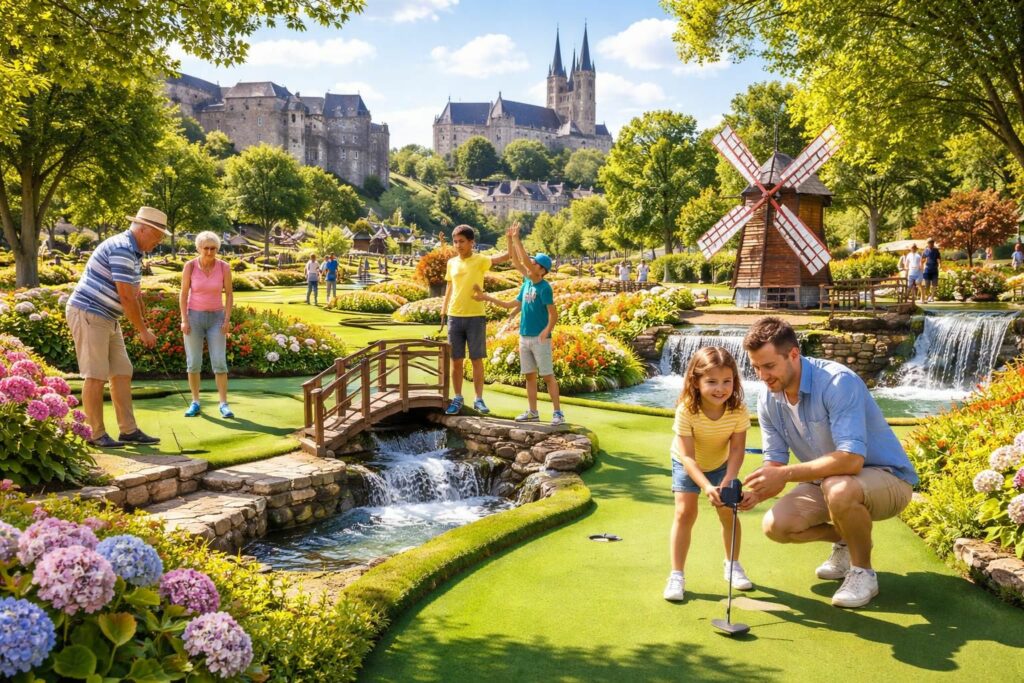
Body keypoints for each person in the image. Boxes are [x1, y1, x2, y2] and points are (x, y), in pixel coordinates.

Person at [739, 317, 918, 609]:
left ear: (794, 354)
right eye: (756, 367)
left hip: (888, 479)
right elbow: (775, 462)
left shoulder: (837, 382)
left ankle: (864, 572)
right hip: (829, 483)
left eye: (769, 366)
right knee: (776, 526)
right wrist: (756, 493)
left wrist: (785, 474)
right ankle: (847, 540)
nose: (762, 375)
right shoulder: (768, 397)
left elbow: (851, 459)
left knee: (838, 487)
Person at [64, 207, 168, 448]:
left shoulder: (135, 252)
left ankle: (128, 430)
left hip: (109, 317)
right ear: (143, 229)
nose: (159, 241)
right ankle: (95, 433)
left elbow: (135, 294)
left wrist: (144, 324)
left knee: (122, 370)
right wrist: (142, 331)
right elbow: (126, 297)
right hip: (89, 312)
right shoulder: (122, 247)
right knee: (95, 374)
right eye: (158, 236)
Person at [663, 346, 752, 602]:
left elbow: (737, 450)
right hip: (687, 464)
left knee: (728, 513)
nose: (720, 388)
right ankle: (677, 575)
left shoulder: (738, 410)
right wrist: (705, 486)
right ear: (696, 380)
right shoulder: (687, 410)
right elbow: (688, 457)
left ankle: (732, 565)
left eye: (727, 381)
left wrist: (727, 480)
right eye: (711, 381)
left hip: (723, 464)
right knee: (684, 513)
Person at [474, 223, 565, 426]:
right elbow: (509, 303)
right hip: (524, 337)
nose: (528, 265)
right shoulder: (526, 283)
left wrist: (546, 331)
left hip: (540, 339)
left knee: (548, 376)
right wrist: (485, 297)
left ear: (542, 270)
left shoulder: (544, 287)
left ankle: (558, 413)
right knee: (530, 377)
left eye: (533, 263)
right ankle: (533, 412)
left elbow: (554, 314)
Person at [440, 224, 509, 415]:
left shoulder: (480, 260)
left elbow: (505, 257)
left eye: (462, 241)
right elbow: (449, 287)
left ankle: (479, 399)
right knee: (456, 360)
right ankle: (458, 398)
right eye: (455, 241)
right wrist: (444, 308)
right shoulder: (451, 263)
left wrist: (511, 239)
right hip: (455, 316)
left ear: (472, 242)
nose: (458, 245)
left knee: (477, 359)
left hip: (476, 317)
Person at [179, 231, 234, 418]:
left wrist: (226, 320)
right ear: (199, 248)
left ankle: (224, 404)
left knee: (219, 362)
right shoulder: (190, 266)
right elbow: (183, 294)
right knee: (193, 363)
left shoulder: (224, 267)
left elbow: (230, 295)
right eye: (206, 248)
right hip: (194, 317)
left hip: (217, 318)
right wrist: (184, 319)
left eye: (214, 248)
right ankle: (195, 402)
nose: (210, 252)